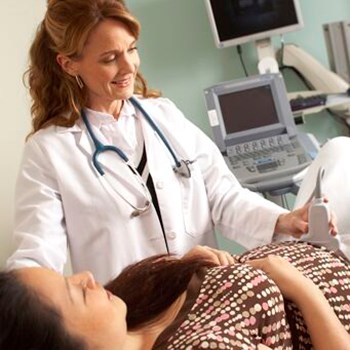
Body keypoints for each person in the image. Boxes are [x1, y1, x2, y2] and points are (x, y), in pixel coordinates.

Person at [6, 0, 342, 284]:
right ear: (68, 64)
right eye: (109, 58)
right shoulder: (50, 152)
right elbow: (36, 259)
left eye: (132, 50)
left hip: (206, 301)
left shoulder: (163, 116)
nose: (129, 66)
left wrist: (284, 220)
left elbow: (222, 197)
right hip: (132, 323)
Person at [1, 241, 350, 350]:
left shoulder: (131, 307)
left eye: (69, 276)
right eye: (74, 293)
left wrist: (187, 269)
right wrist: (301, 288)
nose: (88, 278)